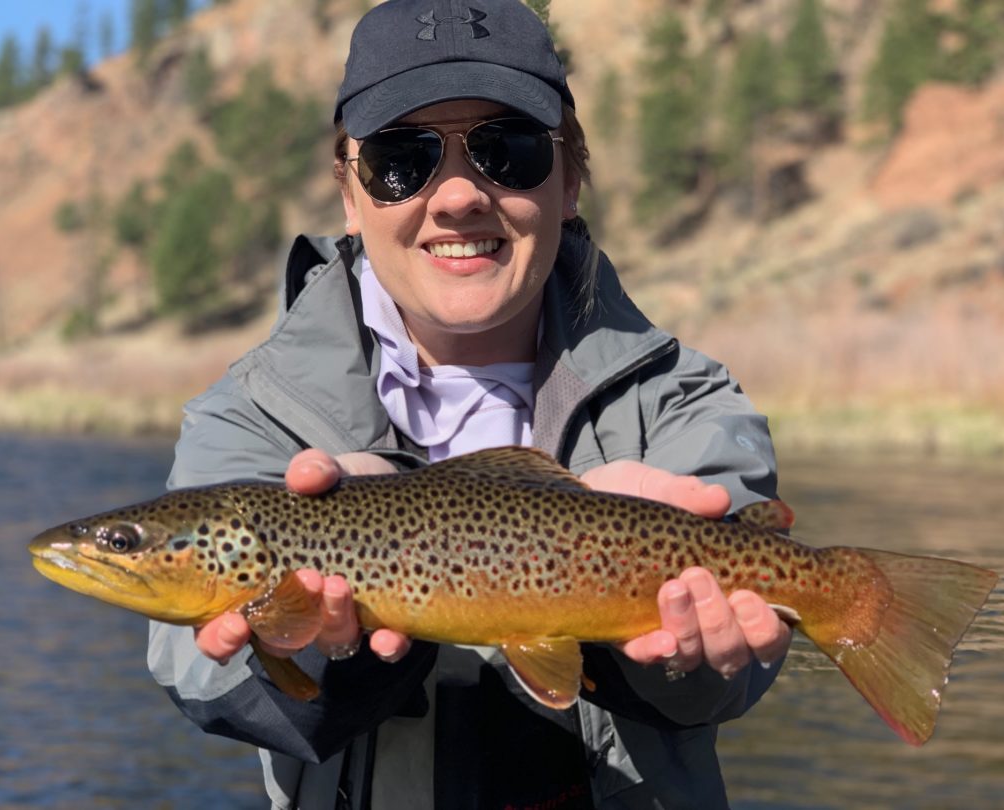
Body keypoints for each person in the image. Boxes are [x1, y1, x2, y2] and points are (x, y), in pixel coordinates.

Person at [147, 1, 793, 807]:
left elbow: (737, 672)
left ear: (570, 181)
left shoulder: (683, 402)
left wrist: (658, 637)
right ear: (349, 194)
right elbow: (196, 677)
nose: (457, 196)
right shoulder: (250, 416)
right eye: (400, 160)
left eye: (506, 150)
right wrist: (327, 642)